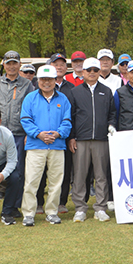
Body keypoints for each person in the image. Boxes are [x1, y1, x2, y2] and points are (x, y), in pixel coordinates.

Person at [0, 50, 35, 220]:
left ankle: (12, 206)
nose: (12, 66)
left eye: (15, 63)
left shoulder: (27, 85)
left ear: (19, 65)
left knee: (17, 172)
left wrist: (29, 132)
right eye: (8, 63)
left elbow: (31, 110)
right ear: (3, 65)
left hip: (18, 133)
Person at [20, 65, 72, 227]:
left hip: (57, 145)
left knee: (56, 182)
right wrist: (38, 134)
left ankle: (52, 212)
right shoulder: (30, 98)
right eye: (43, 79)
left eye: (50, 79)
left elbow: (67, 121)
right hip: (36, 145)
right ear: (38, 81)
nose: (46, 83)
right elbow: (25, 120)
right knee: (31, 181)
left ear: (55, 80)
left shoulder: (63, 99)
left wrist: (58, 134)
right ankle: (28, 213)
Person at [68, 57, 116, 222]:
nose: (93, 73)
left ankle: (100, 208)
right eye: (89, 70)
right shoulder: (75, 92)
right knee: (80, 175)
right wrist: (72, 137)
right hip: (81, 139)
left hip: (101, 139)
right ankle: (80, 208)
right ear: (83, 72)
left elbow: (112, 113)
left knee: (101, 175)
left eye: (96, 70)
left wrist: (111, 125)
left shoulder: (106, 91)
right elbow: (71, 116)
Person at [39, 52, 75, 215]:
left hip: (63, 137)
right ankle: (39, 202)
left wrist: (69, 135)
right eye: (56, 63)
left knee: (64, 171)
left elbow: (72, 115)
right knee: (40, 172)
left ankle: (61, 202)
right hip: (40, 138)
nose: (59, 66)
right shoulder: (38, 87)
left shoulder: (71, 88)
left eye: (62, 64)